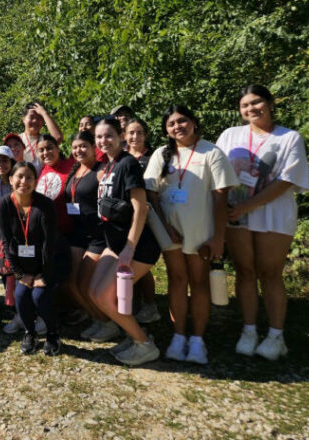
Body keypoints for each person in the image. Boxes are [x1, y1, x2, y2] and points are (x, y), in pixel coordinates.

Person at [216, 84, 309, 361]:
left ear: (269, 103)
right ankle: (249, 330)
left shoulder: (289, 138)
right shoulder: (231, 135)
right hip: (236, 216)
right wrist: (223, 211)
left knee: (270, 273)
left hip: (273, 214)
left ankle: (276, 335)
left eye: (256, 103)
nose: (251, 109)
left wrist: (249, 204)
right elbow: (218, 172)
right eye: (245, 105)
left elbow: (288, 180)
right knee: (244, 271)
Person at [144, 106, 238, 364]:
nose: (177, 126)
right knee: (176, 279)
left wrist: (219, 237)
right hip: (170, 231)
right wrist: (165, 227)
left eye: (182, 121)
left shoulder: (212, 152)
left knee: (198, 282)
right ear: (166, 129)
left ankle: (197, 340)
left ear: (194, 122)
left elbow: (221, 196)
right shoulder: (162, 155)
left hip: (201, 231)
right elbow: (151, 193)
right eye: (171, 123)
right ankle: (178, 336)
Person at [89, 117, 161, 366]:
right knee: (94, 292)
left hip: (138, 247)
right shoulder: (109, 165)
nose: (103, 141)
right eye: (99, 137)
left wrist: (129, 246)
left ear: (120, 135)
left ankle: (144, 344)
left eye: (108, 135)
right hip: (116, 244)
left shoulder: (128, 164)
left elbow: (140, 208)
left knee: (105, 296)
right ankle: (133, 334)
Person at [0, 162, 66, 355]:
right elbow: (7, 242)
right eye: (19, 176)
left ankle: (52, 334)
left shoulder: (45, 205)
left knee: (39, 296)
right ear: (10, 179)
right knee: (20, 295)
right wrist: (19, 274)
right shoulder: (4, 204)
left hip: (48, 263)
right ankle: (30, 333)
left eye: (29, 178)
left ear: (35, 182)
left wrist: (43, 275)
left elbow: (49, 244)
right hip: (23, 268)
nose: (23, 182)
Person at [62, 131, 115, 342]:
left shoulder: (101, 171)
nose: (79, 150)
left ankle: (108, 323)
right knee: (70, 281)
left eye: (83, 146)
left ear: (94, 147)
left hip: (97, 235)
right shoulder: (76, 170)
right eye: (75, 147)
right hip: (77, 233)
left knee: (84, 283)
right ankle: (96, 318)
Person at [124, 118, 161, 325]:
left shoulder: (153, 157)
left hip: (147, 217)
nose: (135, 137)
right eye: (131, 133)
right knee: (127, 263)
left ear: (145, 135)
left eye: (139, 132)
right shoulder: (121, 157)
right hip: (124, 219)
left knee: (142, 265)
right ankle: (132, 304)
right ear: (124, 136)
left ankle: (150, 305)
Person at [35, 134, 75, 237]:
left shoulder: (73, 165)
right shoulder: (41, 171)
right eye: (41, 150)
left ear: (57, 148)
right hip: (47, 232)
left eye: (49, 148)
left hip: (70, 232)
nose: (45, 153)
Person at [19, 101, 64, 172]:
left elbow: (58, 137)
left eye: (39, 117)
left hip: (45, 181)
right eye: (32, 117)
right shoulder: (17, 140)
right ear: (23, 119)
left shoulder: (45, 140)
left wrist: (44, 113)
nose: (35, 121)